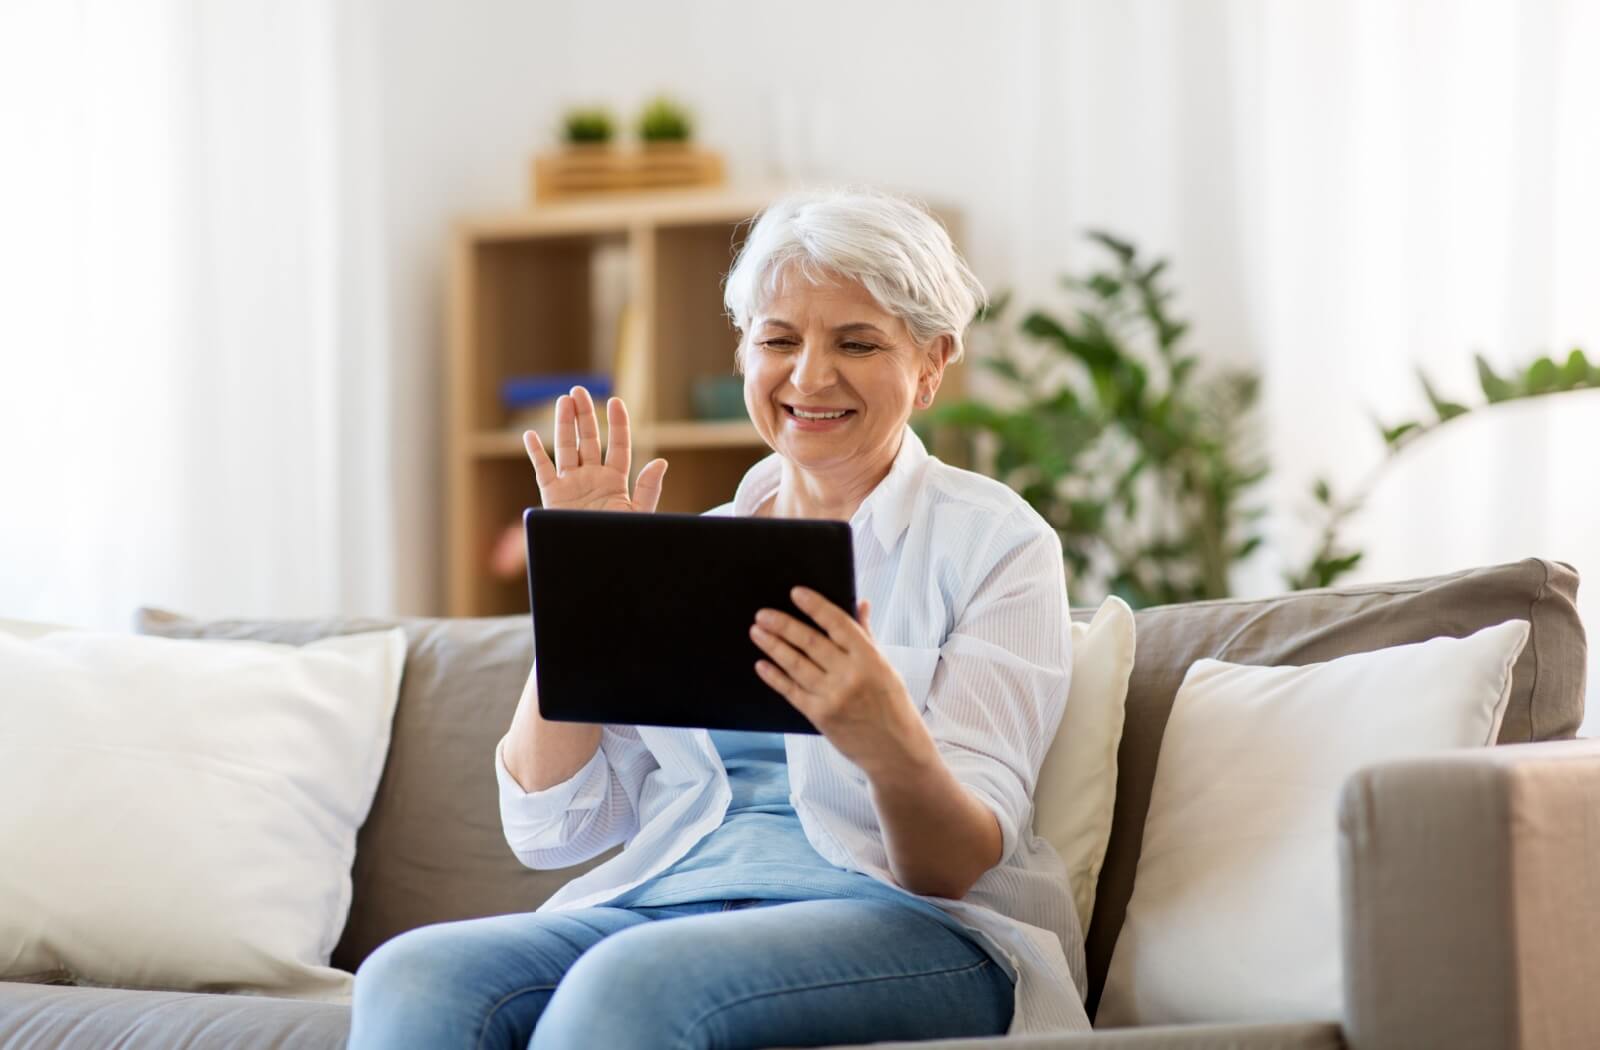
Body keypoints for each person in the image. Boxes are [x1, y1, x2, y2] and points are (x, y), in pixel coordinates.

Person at [348, 188, 1089, 1048]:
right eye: (778, 340)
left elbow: (951, 868)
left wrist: (881, 734)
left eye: (857, 342)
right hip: (671, 902)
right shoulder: (698, 551)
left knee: (634, 985)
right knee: (415, 973)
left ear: (931, 363)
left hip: (913, 927)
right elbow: (551, 827)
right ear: (744, 354)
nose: (810, 375)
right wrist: (584, 590)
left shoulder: (994, 542)